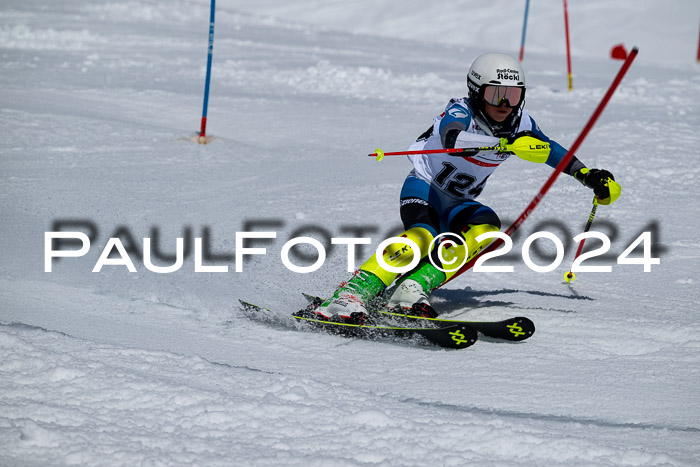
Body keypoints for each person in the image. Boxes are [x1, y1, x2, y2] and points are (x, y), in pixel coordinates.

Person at [308, 53, 621, 323]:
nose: (504, 104)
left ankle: (410, 289)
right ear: (475, 92)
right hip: (424, 188)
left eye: (512, 95)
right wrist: (503, 143)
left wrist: (587, 175)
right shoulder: (461, 111)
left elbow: (549, 149)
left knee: (487, 229)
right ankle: (354, 291)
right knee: (422, 236)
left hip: (459, 200)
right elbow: (452, 139)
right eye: (495, 94)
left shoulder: (521, 123)